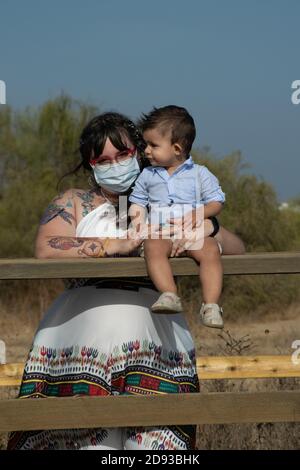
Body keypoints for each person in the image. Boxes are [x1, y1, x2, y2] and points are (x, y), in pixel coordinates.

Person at [7, 111, 244, 451]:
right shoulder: (73, 201)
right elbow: (46, 247)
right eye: (102, 159)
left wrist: (209, 229)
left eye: (122, 154)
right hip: (79, 339)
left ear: (140, 152)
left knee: (153, 446)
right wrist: (114, 246)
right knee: (85, 441)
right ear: (90, 164)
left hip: (156, 340)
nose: (114, 164)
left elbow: (237, 248)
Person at [129, 105, 226, 328]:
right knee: (153, 247)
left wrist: (199, 213)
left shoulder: (200, 174)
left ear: (176, 148)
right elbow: (137, 202)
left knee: (210, 250)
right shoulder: (147, 175)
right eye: (146, 144)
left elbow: (216, 202)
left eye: (153, 145)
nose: (146, 150)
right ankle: (169, 294)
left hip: (192, 234)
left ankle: (211, 305)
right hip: (161, 233)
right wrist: (139, 223)